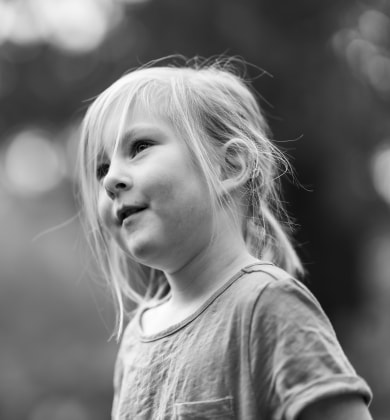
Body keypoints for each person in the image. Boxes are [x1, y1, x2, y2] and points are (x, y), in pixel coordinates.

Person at [75, 57, 373, 419]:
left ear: (230, 166)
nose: (109, 181)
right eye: (102, 168)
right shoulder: (135, 344)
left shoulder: (266, 306)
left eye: (139, 147)